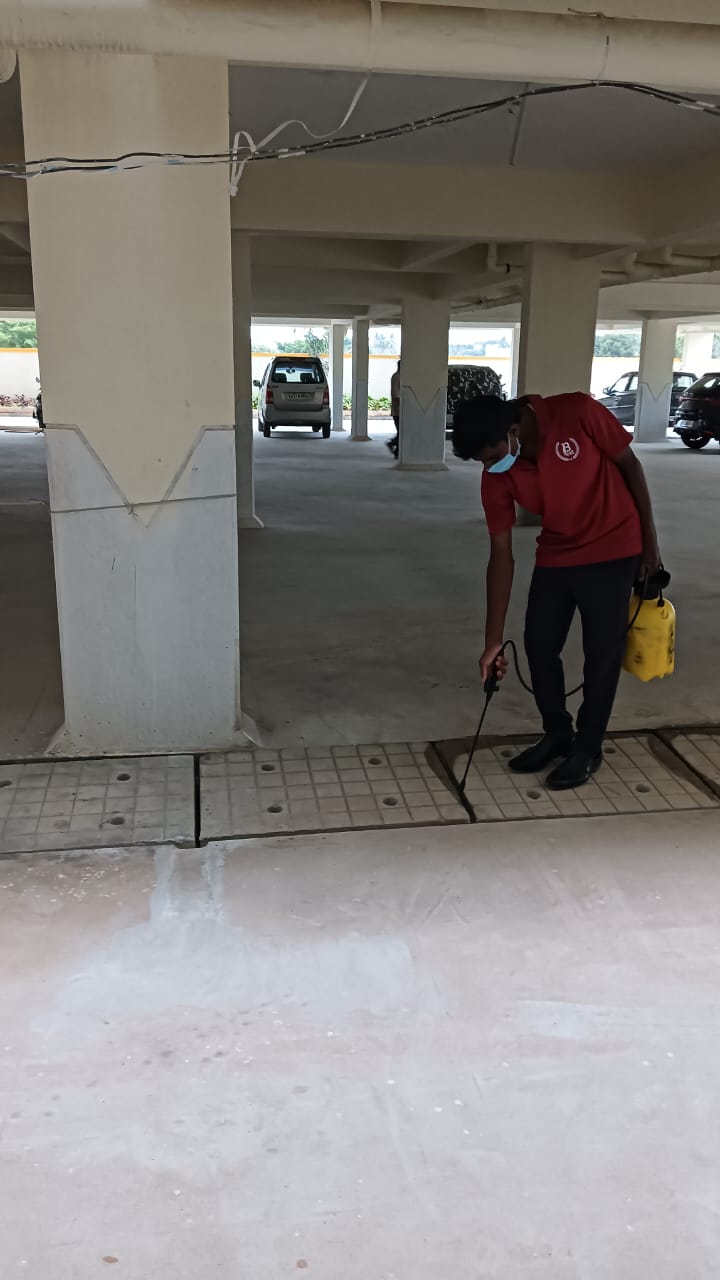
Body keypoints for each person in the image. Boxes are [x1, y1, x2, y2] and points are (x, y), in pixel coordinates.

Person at [452, 392, 661, 790]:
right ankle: (558, 733)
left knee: (602, 654)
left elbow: (631, 466)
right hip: (557, 553)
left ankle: (588, 747)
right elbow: (501, 555)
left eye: (492, 457)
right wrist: (492, 642)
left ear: (514, 431)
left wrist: (650, 545)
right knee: (539, 644)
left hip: (614, 548)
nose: (490, 468)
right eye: (482, 463)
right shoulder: (497, 474)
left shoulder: (577, 413)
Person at [387, 360, 401, 458]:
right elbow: (395, 394)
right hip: (398, 411)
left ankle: (397, 452)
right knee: (402, 432)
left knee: (402, 432)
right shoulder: (396, 377)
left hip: (401, 411)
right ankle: (392, 444)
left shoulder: (402, 376)